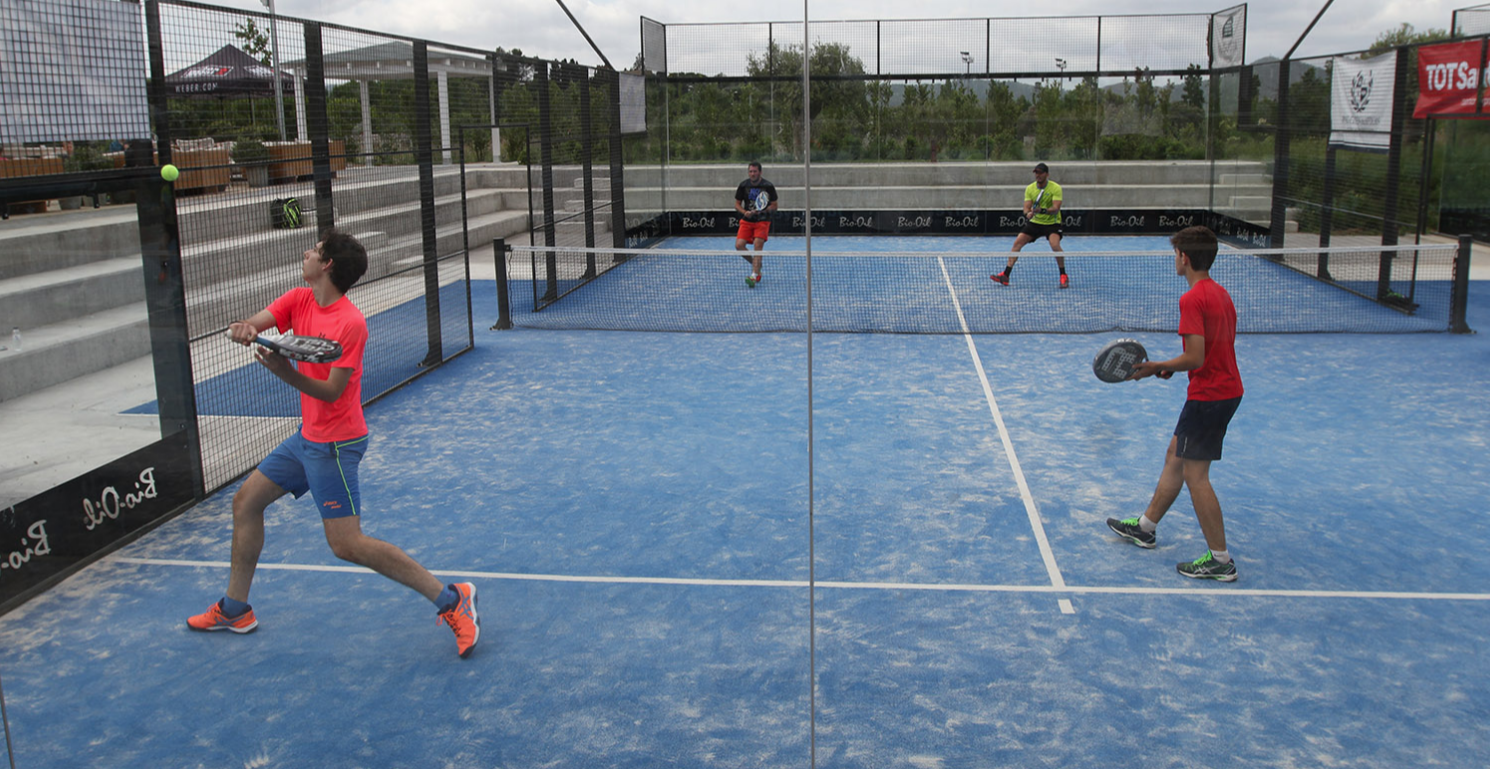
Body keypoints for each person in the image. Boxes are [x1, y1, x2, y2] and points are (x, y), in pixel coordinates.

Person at [187, 229, 481, 655]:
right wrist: (245, 329)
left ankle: (453, 599)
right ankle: (235, 609)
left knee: (346, 543)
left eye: (315, 250)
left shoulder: (350, 323)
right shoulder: (298, 299)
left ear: (326, 265)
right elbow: (257, 323)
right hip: (307, 438)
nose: (306, 253)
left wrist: (284, 372)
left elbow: (331, 391)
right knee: (246, 503)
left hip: (337, 444)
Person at [1106, 225, 1243, 581]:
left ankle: (1220, 559)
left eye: (1175, 254)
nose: (1175, 260)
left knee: (1196, 476)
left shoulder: (1192, 299)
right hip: (1224, 389)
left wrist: (1156, 366)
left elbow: (1196, 357)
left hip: (1209, 396)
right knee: (1175, 456)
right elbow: (1210, 351)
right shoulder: (1221, 294)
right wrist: (1172, 367)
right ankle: (1146, 527)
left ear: (1184, 257)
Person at [991, 162, 1069, 289]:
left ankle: (1063, 275)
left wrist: (1041, 210)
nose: (1038, 175)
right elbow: (1026, 209)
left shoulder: (1055, 188)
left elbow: (1055, 208)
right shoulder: (1030, 188)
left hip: (1052, 223)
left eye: (1040, 173)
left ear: (1047, 174)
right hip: (1035, 223)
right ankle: (1005, 275)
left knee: (1055, 245)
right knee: (1017, 243)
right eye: (1036, 173)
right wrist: (1028, 214)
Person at [734, 161, 779, 288]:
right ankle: (757, 264)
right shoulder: (743, 185)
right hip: (747, 220)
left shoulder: (768, 186)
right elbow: (737, 204)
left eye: (755, 171)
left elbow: (774, 206)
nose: (752, 174)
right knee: (739, 246)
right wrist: (745, 212)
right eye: (750, 171)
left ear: (760, 172)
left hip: (762, 221)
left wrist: (762, 210)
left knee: (757, 245)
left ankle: (754, 276)